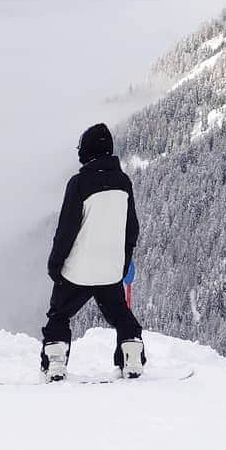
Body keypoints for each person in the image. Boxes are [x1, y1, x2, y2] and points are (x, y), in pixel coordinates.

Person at [41, 123, 144, 381]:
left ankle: (55, 362)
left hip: (78, 270)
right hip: (110, 269)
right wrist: (123, 262)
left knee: (59, 314)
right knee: (121, 315)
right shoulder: (124, 183)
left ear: (86, 152)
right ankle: (131, 355)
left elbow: (66, 230)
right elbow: (132, 228)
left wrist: (56, 265)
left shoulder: (79, 184)